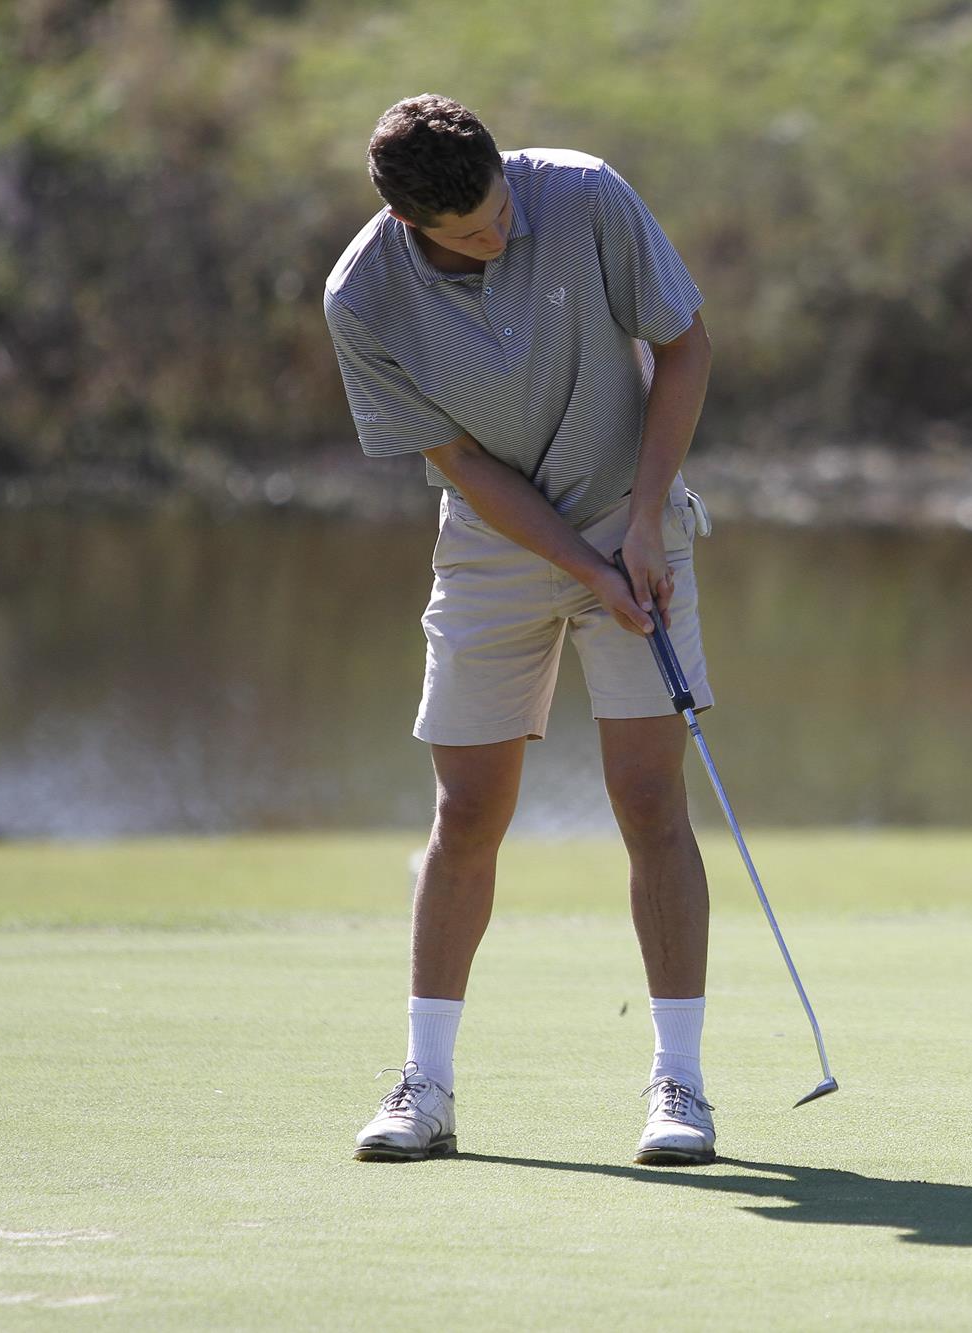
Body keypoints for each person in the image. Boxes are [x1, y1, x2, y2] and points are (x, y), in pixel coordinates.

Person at [323, 94, 719, 1166]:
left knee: (647, 796)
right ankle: (426, 1087)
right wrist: (581, 564)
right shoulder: (362, 295)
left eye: (497, 207)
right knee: (467, 812)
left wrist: (641, 521)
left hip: (630, 505)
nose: (495, 232)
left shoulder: (582, 196)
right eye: (468, 232)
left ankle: (678, 1085)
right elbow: (458, 462)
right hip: (497, 540)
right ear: (413, 226)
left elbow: (683, 348)